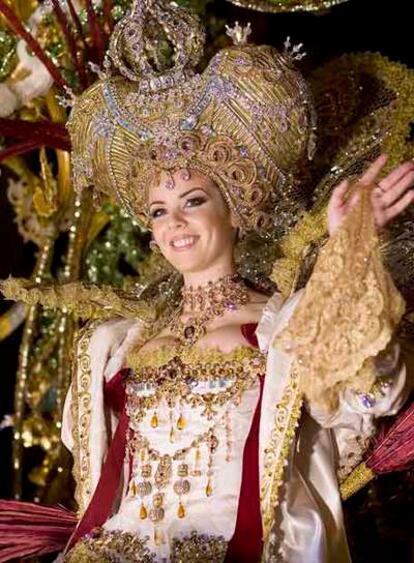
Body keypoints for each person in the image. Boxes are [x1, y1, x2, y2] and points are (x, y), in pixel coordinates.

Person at [1, 1, 413, 562]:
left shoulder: (285, 325)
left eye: (193, 201)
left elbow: (375, 390)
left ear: (234, 208)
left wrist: (350, 251)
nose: (175, 223)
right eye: (158, 211)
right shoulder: (113, 346)